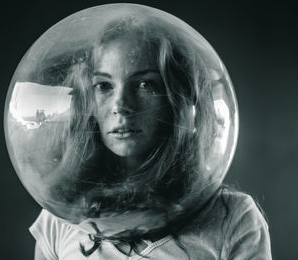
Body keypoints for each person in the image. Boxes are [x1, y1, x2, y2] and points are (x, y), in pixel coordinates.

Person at [29, 17, 272, 259]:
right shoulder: (61, 216)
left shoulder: (232, 218)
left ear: (177, 100)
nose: (121, 105)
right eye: (104, 86)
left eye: (145, 84)